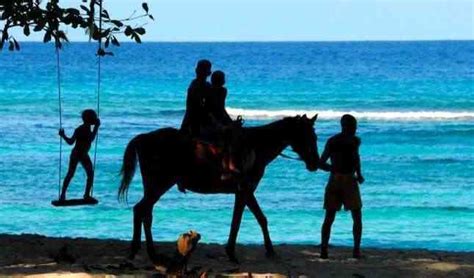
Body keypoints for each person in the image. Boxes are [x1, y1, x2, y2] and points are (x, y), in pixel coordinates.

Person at [318, 114, 365, 259]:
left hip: (342, 179)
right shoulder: (336, 141)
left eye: (355, 127)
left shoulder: (351, 141)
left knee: (344, 216)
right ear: (345, 126)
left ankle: (354, 250)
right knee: (342, 216)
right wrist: (334, 169)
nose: (354, 129)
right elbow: (322, 162)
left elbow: (356, 158)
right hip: (344, 180)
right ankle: (325, 249)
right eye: (353, 127)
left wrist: (359, 173)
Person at [58, 109, 100, 201]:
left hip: (82, 154)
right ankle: (64, 194)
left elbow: (70, 142)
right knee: (71, 174)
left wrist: (63, 135)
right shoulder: (82, 129)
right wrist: (96, 127)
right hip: (77, 154)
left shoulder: (82, 129)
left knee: (89, 174)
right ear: (89, 119)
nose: (96, 119)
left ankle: (85, 195)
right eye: (94, 117)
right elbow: (90, 139)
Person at [180, 59, 212, 136]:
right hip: (194, 121)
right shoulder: (195, 87)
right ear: (209, 73)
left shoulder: (205, 85)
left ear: (196, 70)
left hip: (195, 119)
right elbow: (196, 108)